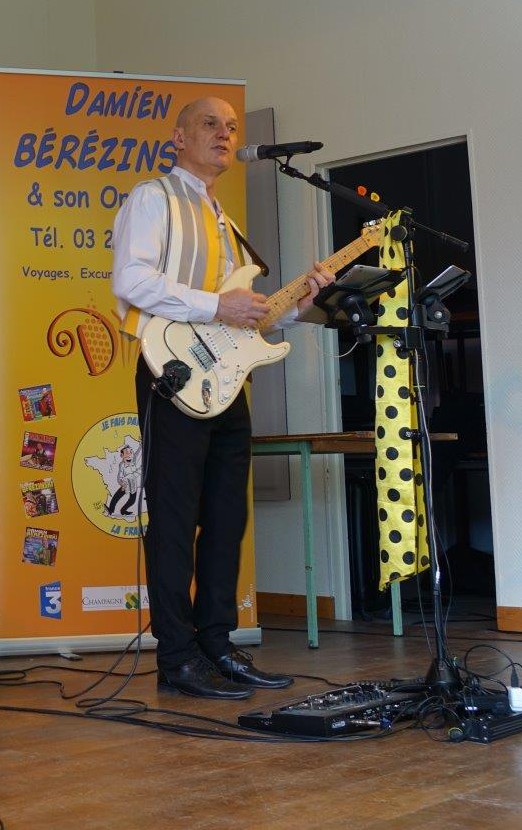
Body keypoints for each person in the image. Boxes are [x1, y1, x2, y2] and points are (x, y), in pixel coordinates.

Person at [111, 97, 332, 700]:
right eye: (211, 124)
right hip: (173, 377)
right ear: (178, 138)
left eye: (233, 127)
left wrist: (303, 300)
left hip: (227, 386)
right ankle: (176, 658)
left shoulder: (225, 224)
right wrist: (217, 305)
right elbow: (129, 280)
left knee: (228, 519)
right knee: (176, 520)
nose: (226, 134)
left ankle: (217, 645)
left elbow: (247, 320)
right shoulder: (152, 198)